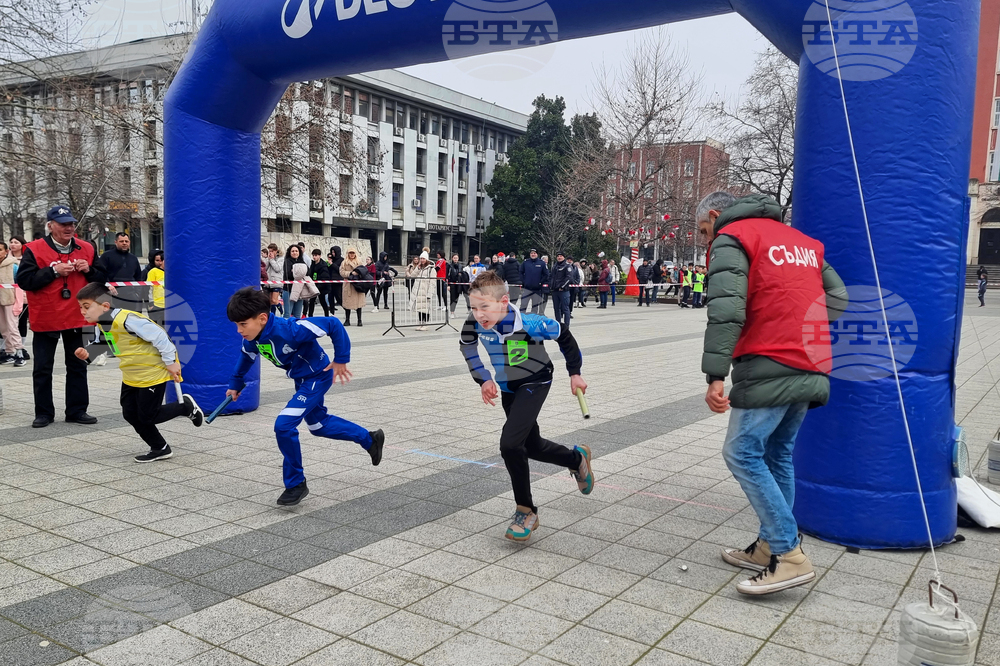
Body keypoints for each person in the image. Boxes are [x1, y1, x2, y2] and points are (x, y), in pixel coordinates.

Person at [698, 191, 847, 595]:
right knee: (777, 454)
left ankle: (789, 554)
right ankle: (768, 546)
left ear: (716, 215)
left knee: (741, 451)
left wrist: (715, 374)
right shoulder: (801, 241)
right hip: (811, 359)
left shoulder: (734, 239)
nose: (705, 240)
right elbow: (839, 298)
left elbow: (726, 309)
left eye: (703, 231)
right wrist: (798, 317)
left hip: (769, 360)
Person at [459, 270, 594, 541]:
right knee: (531, 446)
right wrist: (483, 379)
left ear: (504, 301)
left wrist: (575, 372)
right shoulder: (473, 324)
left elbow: (564, 335)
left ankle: (526, 511)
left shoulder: (530, 323)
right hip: (509, 388)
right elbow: (467, 348)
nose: (479, 314)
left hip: (536, 381)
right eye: (473, 307)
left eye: (484, 307)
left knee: (510, 445)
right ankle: (576, 458)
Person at [225, 287, 384, 505]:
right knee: (319, 426)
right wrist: (236, 383)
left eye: (243, 324)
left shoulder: (291, 329)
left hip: (318, 376)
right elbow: (246, 357)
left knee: (283, 425)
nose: (238, 330)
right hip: (302, 379)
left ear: (262, 318)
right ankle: (370, 439)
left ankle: (296, 484)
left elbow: (333, 324)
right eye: (236, 325)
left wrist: (341, 359)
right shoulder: (252, 339)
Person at [74, 283, 204, 461]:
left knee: (148, 415)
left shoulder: (128, 319)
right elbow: (102, 344)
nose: (82, 311)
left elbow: (160, 336)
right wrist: (87, 353)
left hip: (152, 372)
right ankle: (160, 448)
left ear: (105, 306)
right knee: (130, 413)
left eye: (86, 307)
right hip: (131, 375)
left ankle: (185, 407)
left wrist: (171, 362)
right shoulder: (101, 326)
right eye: (81, 307)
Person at [16, 206, 107, 428]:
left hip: (77, 316)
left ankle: (77, 410)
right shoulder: (34, 249)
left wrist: (89, 271)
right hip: (46, 316)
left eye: (71, 224)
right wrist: (54, 272)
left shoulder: (86, 248)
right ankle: (44, 413)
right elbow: (25, 281)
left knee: (78, 364)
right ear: (50, 225)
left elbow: (102, 279)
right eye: (63, 223)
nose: (68, 227)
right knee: (43, 368)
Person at [99, 232, 143, 310]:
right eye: (121, 241)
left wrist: (137, 293)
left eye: (126, 241)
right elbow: (100, 273)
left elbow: (138, 277)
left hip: (130, 295)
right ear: (115, 242)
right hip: (112, 294)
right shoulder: (106, 256)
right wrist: (108, 285)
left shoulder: (133, 258)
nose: (124, 243)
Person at [0, 242, 26, 366]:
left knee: (12, 326)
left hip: (10, 299)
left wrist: (18, 303)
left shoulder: (13, 265)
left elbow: (19, 285)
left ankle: (19, 351)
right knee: (3, 328)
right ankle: (9, 352)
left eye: (0, 250)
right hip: (0, 300)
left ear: (6, 251)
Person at [7, 236, 29, 356]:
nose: (13, 244)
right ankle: (8, 348)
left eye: (16, 242)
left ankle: (22, 347)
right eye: (11, 242)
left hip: (24, 296)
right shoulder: (6, 259)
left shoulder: (27, 259)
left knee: (21, 321)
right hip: (8, 296)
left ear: (22, 244)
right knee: (8, 323)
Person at [339, 247, 367, 327]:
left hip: (358, 284)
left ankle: (359, 320)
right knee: (348, 304)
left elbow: (363, 271)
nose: (352, 254)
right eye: (350, 253)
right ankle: (347, 320)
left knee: (359, 304)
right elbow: (341, 272)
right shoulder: (344, 262)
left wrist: (358, 273)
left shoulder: (359, 262)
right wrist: (350, 273)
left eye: (353, 253)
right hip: (348, 285)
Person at [409, 251, 436, 330]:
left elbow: (432, 282)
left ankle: (425, 324)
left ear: (427, 259)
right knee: (419, 308)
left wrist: (430, 293)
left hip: (426, 291)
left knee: (426, 308)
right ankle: (420, 323)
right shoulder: (420, 268)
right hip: (418, 291)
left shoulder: (431, 269)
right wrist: (418, 268)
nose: (422, 260)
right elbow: (412, 275)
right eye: (421, 258)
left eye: (423, 258)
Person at [519, 249, 548, 314]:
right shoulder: (525, 262)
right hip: (527, 288)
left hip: (537, 289)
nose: (533, 254)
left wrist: (540, 282)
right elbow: (520, 272)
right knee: (523, 305)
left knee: (535, 306)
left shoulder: (542, 263)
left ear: (537, 254)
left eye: (534, 253)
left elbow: (546, 274)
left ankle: (533, 320)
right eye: (532, 253)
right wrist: (523, 281)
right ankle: (521, 319)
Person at [549, 251, 573, 330]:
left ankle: (566, 326)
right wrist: (550, 285)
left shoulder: (567, 266)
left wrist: (562, 286)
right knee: (556, 308)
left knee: (565, 309)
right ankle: (558, 324)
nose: (559, 257)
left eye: (561, 256)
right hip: (555, 291)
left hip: (564, 291)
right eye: (558, 256)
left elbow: (568, 278)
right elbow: (551, 277)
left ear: (564, 257)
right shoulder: (555, 266)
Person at [283, 245, 308, 319]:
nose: (295, 253)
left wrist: (296, 271)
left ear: (299, 252)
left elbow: (308, 272)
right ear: (289, 252)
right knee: (288, 314)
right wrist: (300, 272)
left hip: (299, 291)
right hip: (289, 290)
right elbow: (289, 274)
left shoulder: (302, 261)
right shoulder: (287, 261)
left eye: (296, 251)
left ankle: (295, 330)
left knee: (297, 315)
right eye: (293, 251)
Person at [306, 250, 331, 317]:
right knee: (311, 301)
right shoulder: (313, 264)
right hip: (314, 285)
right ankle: (310, 315)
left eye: (316, 255)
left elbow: (325, 277)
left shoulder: (323, 265)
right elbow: (310, 274)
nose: (314, 257)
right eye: (313, 255)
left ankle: (327, 315)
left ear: (319, 256)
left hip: (322, 286)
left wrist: (318, 286)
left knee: (322, 301)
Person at [146, 253, 165, 327]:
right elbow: (148, 288)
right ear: (161, 261)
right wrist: (150, 303)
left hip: (169, 305)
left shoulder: (172, 272)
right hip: (157, 305)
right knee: (156, 327)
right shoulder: (153, 271)